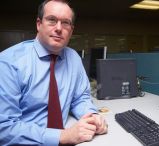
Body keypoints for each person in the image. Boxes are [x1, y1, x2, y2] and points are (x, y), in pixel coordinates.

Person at [0, 0, 108, 145]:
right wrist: (62, 136)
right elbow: (5, 128)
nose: (58, 28)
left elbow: (80, 98)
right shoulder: (8, 62)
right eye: (52, 20)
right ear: (39, 24)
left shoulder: (74, 58)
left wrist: (92, 115)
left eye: (65, 23)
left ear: (71, 30)